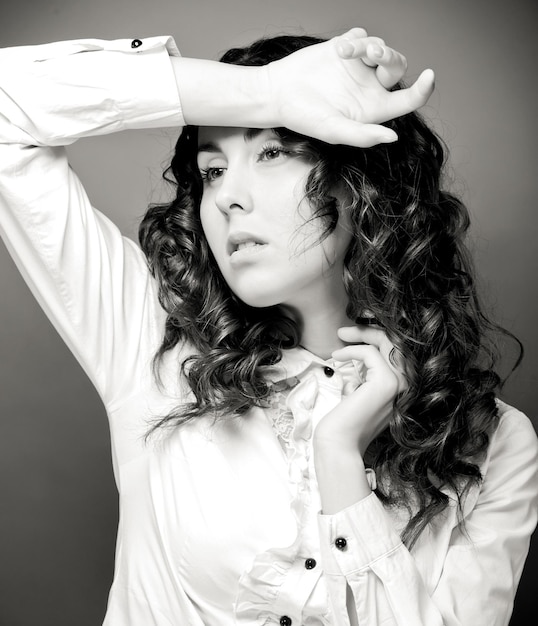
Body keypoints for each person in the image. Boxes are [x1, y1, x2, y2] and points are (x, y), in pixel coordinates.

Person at [0, 27, 536, 626]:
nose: (229, 196)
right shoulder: (152, 344)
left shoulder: (496, 444)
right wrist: (265, 92)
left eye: (272, 152)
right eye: (211, 171)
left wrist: (339, 456)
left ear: (358, 183)